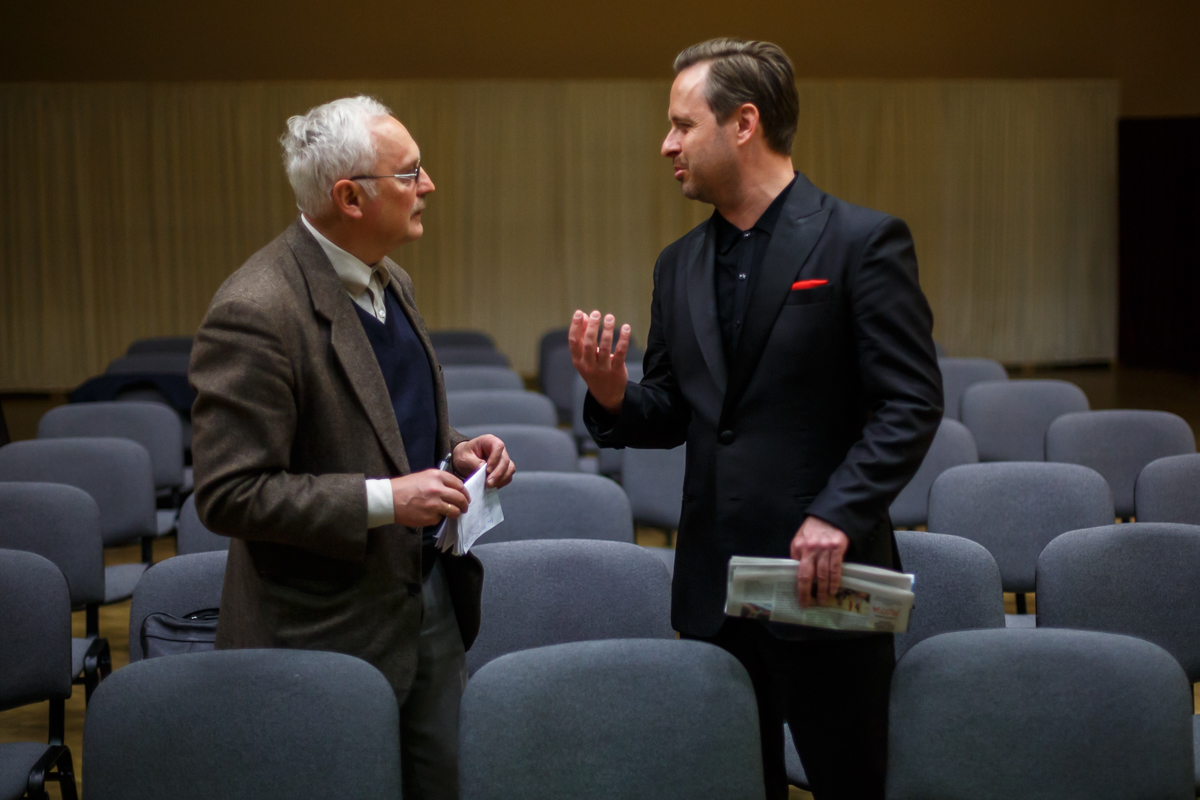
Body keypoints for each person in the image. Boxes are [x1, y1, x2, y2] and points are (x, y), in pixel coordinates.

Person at [572, 40, 942, 800]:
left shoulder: (862, 241)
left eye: (683, 125)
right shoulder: (677, 264)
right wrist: (612, 394)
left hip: (826, 583)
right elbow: (671, 412)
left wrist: (838, 513)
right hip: (716, 593)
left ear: (744, 124)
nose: (666, 144)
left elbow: (910, 402)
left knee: (854, 784)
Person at [189, 95, 514, 800]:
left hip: (426, 600)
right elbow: (227, 492)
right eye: (411, 173)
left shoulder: (391, 279)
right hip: (321, 630)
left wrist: (456, 450)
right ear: (350, 197)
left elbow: (377, 421)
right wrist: (386, 500)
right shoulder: (256, 308)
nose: (429, 185)